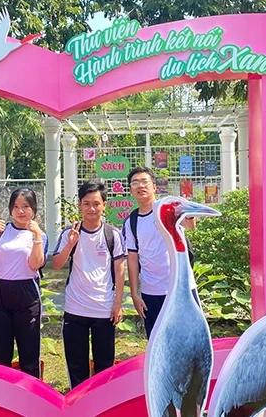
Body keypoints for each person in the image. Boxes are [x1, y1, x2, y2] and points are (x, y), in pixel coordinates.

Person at [52, 181, 126, 388]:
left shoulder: (113, 235)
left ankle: (102, 405)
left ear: (104, 205)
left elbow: (120, 271)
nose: (91, 209)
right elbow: (57, 265)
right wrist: (70, 244)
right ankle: (79, 405)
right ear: (79, 205)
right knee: (77, 367)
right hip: (75, 309)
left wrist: (118, 303)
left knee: (104, 366)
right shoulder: (70, 233)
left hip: (104, 309)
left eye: (96, 203)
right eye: (86, 204)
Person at [0, 188, 48, 378]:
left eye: (25, 206)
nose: (20, 211)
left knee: (29, 349)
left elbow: (35, 264)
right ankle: (2, 397)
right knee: (0, 352)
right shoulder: (2, 232)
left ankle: (31, 397)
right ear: (10, 209)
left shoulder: (39, 235)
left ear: (33, 208)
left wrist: (37, 237)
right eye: (16, 206)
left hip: (26, 293)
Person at [123, 166, 198, 339]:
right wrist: (135, 293)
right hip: (151, 292)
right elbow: (133, 259)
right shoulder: (131, 222)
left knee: (188, 339)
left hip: (182, 288)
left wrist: (187, 210)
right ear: (131, 190)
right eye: (135, 183)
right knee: (158, 341)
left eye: (144, 182)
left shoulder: (168, 209)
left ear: (154, 187)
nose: (140, 186)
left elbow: (190, 225)